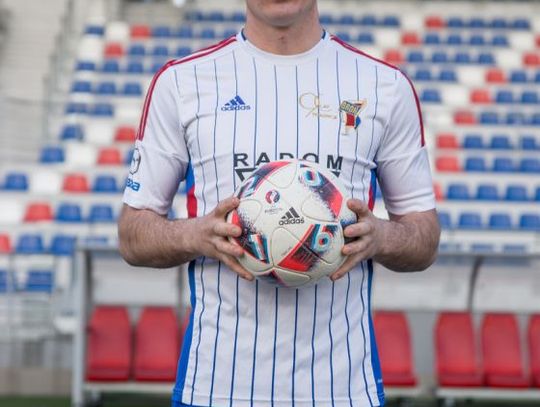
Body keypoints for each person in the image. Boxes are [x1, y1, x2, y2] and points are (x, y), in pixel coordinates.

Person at [118, 0, 441, 406]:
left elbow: (424, 238)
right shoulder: (181, 83)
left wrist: (381, 237)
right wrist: (196, 235)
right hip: (215, 388)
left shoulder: (384, 86)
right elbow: (133, 236)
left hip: (343, 391)